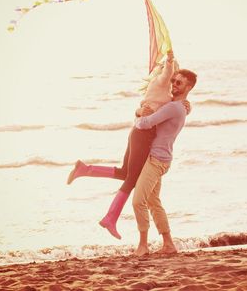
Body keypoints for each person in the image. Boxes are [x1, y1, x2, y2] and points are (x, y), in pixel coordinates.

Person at [67, 50, 190, 240]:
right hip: (142, 134)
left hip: (138, 134)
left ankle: (85, 170)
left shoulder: (165, 92)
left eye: (177, 80)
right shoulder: (161, 81)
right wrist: (170, 60)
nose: (173, 81)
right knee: (132, 180)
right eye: (173, 77)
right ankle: (110, 218)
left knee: (126, 173)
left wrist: (184, 105)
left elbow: (171, 107)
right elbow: (158, 103)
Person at [131, 68, 197, 256]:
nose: (174, 85)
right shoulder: (180, 106)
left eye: (179, 83)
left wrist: (138, 114)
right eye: (173, 80)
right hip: (162, 158)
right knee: (153, 202)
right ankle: (168, 244)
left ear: (188, 87)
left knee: (138, 201)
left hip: (156, 160)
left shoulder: (174, 107)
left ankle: (143, 246)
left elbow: (145, 123)